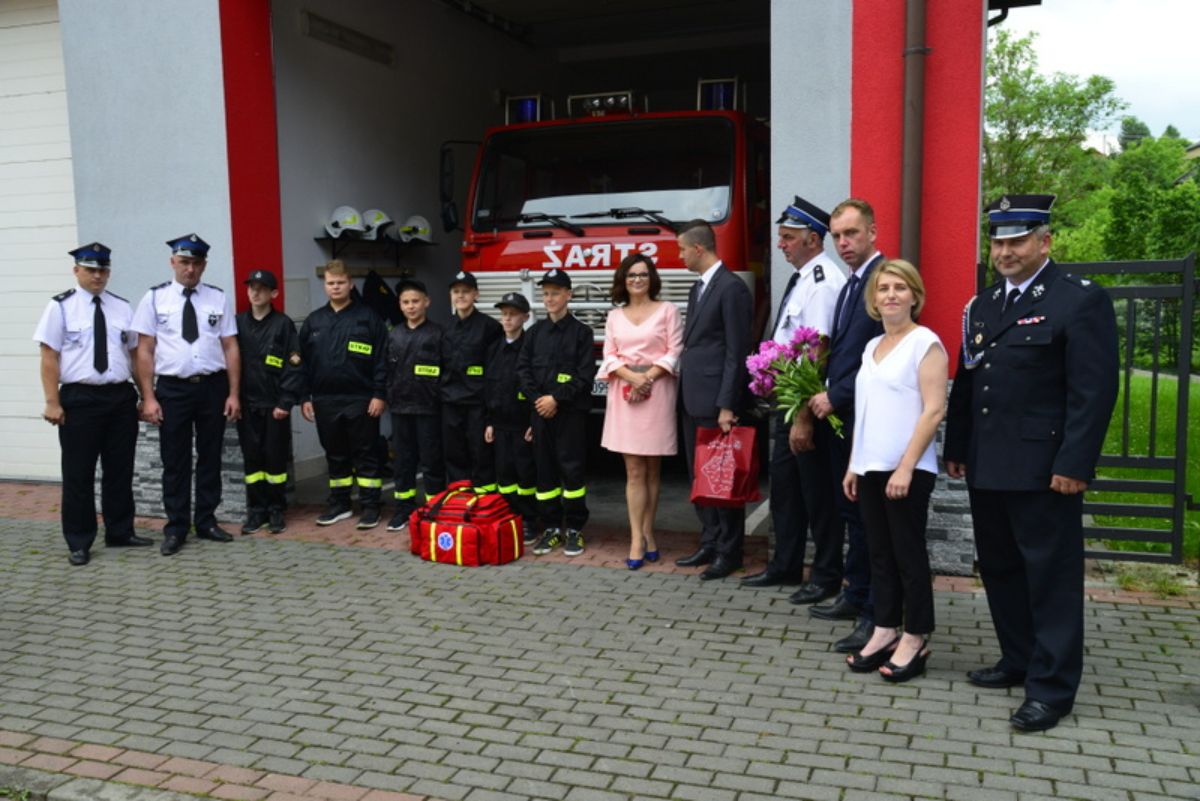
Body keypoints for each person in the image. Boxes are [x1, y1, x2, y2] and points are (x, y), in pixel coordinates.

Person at [945, 194, 1118, 732]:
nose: (1005, 251)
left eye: (1017, 240)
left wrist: (1075, 463)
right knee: (1000, 568)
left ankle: (1052, 689)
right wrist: (956, 447)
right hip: (988, 463)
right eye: (997, 241)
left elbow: (1093, 392)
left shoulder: (1078, 301)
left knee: (1051, 578)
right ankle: (1017, 659)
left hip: (1046, 468)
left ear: (1045, 241)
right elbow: (970, 383)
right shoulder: (984, 304)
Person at [841, 259, 947, 682]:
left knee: (908, 555)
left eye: (900, 288)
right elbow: (864, 411)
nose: (890, 295)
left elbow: (934, 409)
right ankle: (885, 628)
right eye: (883, 289)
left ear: (915, 296)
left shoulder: (926, 344)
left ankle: (916, 635)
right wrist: (854, 464)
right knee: (878, 553)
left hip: (907, 470)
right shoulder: (872, 348)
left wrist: (905, 467)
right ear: (874, 300)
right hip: (870, 467)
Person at [740, 196, 846, 600]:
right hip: (788, 400)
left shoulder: (822, 281)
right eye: (781, 237)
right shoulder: (804, 275)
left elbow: (817, 351)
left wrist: (803, 416)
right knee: (786, 489)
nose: (780, 244)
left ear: (813, 240)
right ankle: (785, 566)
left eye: (787, 237)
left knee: (816, 494)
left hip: (807, 405)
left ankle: (824, 576)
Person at [34, 242, 150, 565]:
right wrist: (52, 401)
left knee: (119, 469)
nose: (98, 275)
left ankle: (120, 531)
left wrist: (144, 396)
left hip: (118, 397)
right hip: (79, 399)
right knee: (78, 474)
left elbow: (132, 355)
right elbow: (48, 357)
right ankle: (80, 540)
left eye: (103, 270)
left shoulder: (121, 307)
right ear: (77, 271)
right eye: (91, 269)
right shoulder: (59, 307)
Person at [807, 199, 885, 653]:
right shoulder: (853, 283)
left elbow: (878, 350)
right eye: (837, 236)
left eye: (852, 234)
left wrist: (837, 393)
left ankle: (876, 611)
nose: (844, 243)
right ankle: (855, 594)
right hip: (844, 416)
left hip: (868, 416)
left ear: (872, 232)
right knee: (852, 511)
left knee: (871, 521)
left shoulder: (883, 280)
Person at [133, 234, 241, 556]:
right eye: (184, 262)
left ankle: (206, 521)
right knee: (175, 461)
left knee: (210, 457)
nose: (190, 269)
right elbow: (144, 350)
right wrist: (149, 397)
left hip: (211, 387)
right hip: (173, 390)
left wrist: (234, 393)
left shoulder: (217, 298)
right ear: (173, 262)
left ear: (204, 265)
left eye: (196, 263)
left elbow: (230, 346)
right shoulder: (154, 299)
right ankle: (176, 527)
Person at [675, 219, 753, 580]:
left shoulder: (731, 289)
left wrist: (727, 404)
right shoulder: (698, 289)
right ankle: (709, 540)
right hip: (693, 397)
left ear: (699, 249)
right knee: (699, 476)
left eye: (681, 250)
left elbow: (737, 351)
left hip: (716, 402)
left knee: (722, 479)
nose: (679, 256)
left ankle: (729, 551)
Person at [598, 253, 684, 570]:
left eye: (643, 275)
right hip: (624, 394)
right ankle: (636, 537)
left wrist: (646, 378)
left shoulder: (668, 311)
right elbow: (609, 354)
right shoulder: (614, 316)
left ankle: (650, 531)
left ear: (652, 279)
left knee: (652, 469)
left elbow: (675, 350)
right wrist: (632, 377)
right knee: (634, 470)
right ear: (623, 280)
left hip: (657, 391)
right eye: (632, 275)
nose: (637, 280)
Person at [299, 260, 389, 529]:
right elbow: (301, 363)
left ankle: (371, 505)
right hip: (325, 401)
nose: (335, 287)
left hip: (361, 400)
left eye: (340, 283)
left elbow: (382, 360)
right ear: (325, 285)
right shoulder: (314, 321)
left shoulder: (368, 318)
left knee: (366, 455)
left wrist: (379, 394)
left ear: (350, 284)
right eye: (330, 283)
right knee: (335, 455)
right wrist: (304, 397)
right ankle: (339, 504)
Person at [517, 269, 597, 557]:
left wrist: (556, 399)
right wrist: (539, 400)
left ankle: (574, 529)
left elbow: (584, 376)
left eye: (555, 292)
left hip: (570, 415)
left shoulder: (581, 333)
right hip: (541, 413)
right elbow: (523, 371)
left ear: (568, 295)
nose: (549, 298)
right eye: (546, 293)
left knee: (572, 471)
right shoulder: (535, 333)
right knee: (545, 473)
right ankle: (551, 528)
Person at [235, 269, 303, 535]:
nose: (255, 292)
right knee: (252, 462)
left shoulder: (283, 324)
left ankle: (276, 509)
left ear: (273, 293)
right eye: (251, 287)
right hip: (247, 407)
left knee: (275, 462)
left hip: (274, 406)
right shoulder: (237, 323)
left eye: (262, 288)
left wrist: (286, 402)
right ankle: (256, 511)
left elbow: (294, 364)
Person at [384, 278, 446, 532]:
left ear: (427, 302)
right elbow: (385, 370)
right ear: (399, 305)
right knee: (403, 463)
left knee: (432, 462)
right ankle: (404, 509)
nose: (411, 306)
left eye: (415, 301)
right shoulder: (394, 335)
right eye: (406, 302)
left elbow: (447, 372)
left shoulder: (439, 334)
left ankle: (435, 509)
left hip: (429, 409)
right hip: (400, 410)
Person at [441, 271, 503, 491]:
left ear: (475, 294)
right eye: (456, 292)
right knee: (454, 454)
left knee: (481, 454)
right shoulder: (444, 327)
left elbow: (495, 372)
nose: (460, 296)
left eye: (466, 291)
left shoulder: (490, 327)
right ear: (450, 295)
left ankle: (483, 505)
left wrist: (491, 413)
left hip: (478, 404)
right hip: (450, 403)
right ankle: (459, 501)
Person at [484, 292, 537, 541]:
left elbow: (536, 386)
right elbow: (488, 387)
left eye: (513, 314)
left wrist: (534, 422)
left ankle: (529, 520)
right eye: (504, 314)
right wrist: (489, 421)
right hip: (500, 424)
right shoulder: (494, 348)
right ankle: (508, 515)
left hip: (522, 425)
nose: (507, 318)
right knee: (504, 475)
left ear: (525, 317)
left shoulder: (531, 348)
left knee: (525, 475)